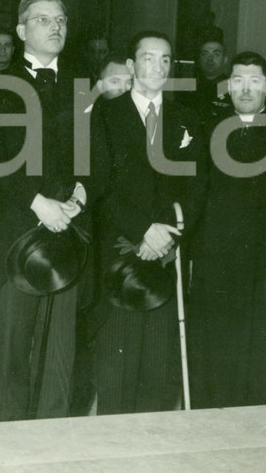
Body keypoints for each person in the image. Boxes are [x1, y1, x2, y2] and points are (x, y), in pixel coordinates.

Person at [0, 0, 88, 421]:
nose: (55, 26)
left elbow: (97, 155)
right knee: (14, 356)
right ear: (21, 31)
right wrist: (38, 203)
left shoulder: (82, 86)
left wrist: (80, 195)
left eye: (60, 20)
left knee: (60, 357)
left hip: (69, 231)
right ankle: (9, 446)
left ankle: (53, 445)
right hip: (16, 232)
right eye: (43, 20)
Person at [190, 50, 266, 409]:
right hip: (218, 259)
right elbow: (196, 193)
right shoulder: (208, 127)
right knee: (217, 346)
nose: (246, 88)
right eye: (238, 80)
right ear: (228, 86)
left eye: (255, 80)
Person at [87, 31, 204, 414]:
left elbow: (196, 186)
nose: (158, 66)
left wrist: (167, 234)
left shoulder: (187, 119)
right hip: (119, 251)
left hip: (166, 252)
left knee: (157, 370)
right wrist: (142, 231)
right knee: (116, 368)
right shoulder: (102, 115)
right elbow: (99, 185)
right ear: (131, 65)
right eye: (149, 58)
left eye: (165, 59)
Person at [188, 39, 232, 122]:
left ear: (225, 59)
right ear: (199, 59)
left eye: (216, 54)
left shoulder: (233, 88)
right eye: (204, 54)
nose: (210, 58)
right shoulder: (188, 88)